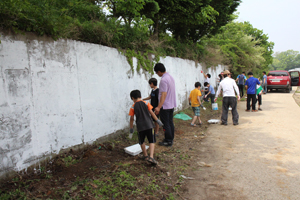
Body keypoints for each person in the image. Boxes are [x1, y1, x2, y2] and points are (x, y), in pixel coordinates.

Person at [129, 90, 163, 165]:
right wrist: (157, 120)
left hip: (140, 127)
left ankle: (145, 156)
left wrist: (131, 128)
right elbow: (152, 113)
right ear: (141, 96)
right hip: (149, 125)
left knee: (142, 141)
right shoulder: (146, 103)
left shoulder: (133, 106)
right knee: (151, 141)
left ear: (132, 98)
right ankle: (151, 157)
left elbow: (131, 118)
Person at [154, 63, 177, 147]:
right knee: (170, 122)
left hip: (165, 105)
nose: (157, 74)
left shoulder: (163, 80)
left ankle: (168, 140)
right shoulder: (170, 77)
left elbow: (163, 94)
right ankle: (170, 139)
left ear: (159, 71)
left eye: (157, 73)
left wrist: (158, 107)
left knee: (166, 123)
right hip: (171, 104)